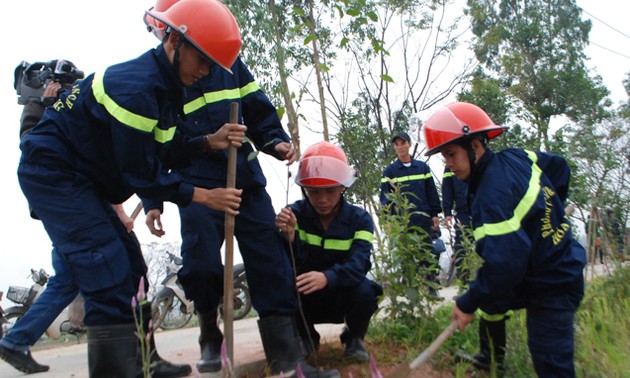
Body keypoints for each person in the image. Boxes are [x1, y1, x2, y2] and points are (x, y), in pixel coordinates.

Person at [8, 0, 247, 376]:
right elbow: (142, 172)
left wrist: (206, 142)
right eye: (201, 58)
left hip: (83, 178)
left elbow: (164, 147)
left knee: (133, 267)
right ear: (174, 41)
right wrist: (203, 195)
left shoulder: (167, 90)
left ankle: (145, 363)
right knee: (105, 265)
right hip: (54, 174)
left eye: (211, 64)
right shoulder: (137, 88)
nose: (205, 70)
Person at [141, 1, 339, 376]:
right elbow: (149, 147)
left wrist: (275, 141)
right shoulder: (152, 79)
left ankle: (285, 358)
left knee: (269, 259)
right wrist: (152, 200)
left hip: (243, 180)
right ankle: (208, 334)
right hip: (195, 185)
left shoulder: (230, 63)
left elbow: (257, 109)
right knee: (200, 266)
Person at [0, 61, 191, 377]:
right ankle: (120, 366)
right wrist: (48, 104)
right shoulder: (39, 108)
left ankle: (18, 340)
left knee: (75, 278)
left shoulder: (80, 104)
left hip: (86, 197)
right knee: (104, 266)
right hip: (66, 201)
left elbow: (111, 158)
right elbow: (38, 149)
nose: (68, 89)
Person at [423, 101, 586, 377]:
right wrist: (548, 216)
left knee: (551, 362)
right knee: (492, 296)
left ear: (475, 145)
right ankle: (490, 359)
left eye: (451, 154)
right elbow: (559, 167)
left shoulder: (491, 196)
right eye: (444, 158)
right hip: (546, 266)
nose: (449, 165)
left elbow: (505, 264)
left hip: (552, 282)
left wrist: (466, 302)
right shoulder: (517, 157)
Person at [275, 141, 383, 362]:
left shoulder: (360, 220)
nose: (322, 200)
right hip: (306, 298)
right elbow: (285, 266)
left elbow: (359, 265)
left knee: (366, 291)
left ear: (343, 187)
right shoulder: (292, 216)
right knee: (282, 286)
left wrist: (327, 277)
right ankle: (306, 338)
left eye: (330, 191)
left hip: (342, 295)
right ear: (305, 189)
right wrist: (289, 238)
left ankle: (354, 338)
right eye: (314, 192)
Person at [380, 131, 442, 297]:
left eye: (403, 143)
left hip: (423, 219)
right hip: (402, 222)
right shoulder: (390, 172)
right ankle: (410, 289)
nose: (400, 147)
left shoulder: (422, 168)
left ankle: (431, 287)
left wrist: (435, 214)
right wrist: (388, 220)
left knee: (428, 252)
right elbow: (385, 198)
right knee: (406, 253)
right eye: (396, 144)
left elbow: (431, 191)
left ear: (409, 144)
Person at [441, 166, 473, 283]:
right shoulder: (451, 165)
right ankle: (465, 284)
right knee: (461, 248)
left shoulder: (479, 158)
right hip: (462, 212)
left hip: (481, 208)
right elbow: (447, 189)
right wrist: (447, 212)